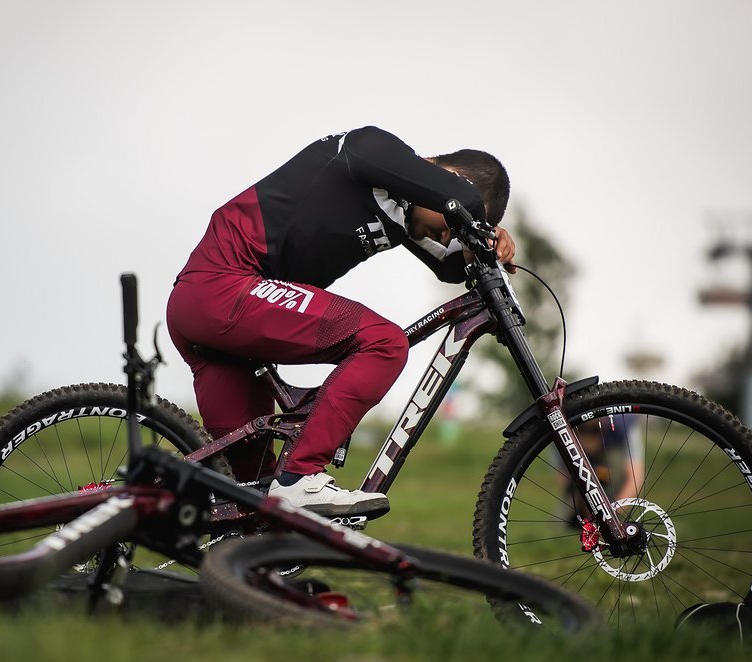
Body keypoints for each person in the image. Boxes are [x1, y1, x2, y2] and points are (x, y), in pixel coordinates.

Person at [166, 126, 515, 518]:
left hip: (217, 324)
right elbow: (451, 193)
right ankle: (301, 476)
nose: (448, 235)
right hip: (222, 288)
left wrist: (485, 244)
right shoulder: (374, 149)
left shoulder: (400, 212)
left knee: (250, 504)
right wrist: (471, 210)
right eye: (454, 222)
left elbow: (450, 267)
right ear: (451, 183)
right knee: (384, 343)